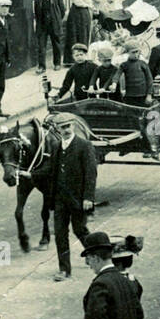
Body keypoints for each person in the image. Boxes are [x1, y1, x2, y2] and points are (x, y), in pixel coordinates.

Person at [48, 114, 97, 282]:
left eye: (69, 126)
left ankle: (96, 256)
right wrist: (28, 174)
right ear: (57, 129)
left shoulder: (84, 146)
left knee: (80, 230)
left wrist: (88, 198)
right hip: (60, 200)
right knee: (60, 234)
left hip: (78, 199)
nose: (67, 130)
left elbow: (91, 173)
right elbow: (51, 172)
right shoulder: (56, 147)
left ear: (74, 126)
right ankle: (64, 270)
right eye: (63, 127)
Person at [33, 0, 65, 73]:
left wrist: (57, 21)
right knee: (41, 46)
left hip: (54, 25)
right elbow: (37, 14)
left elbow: (62, 11)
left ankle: (57, 63)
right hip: (42, 26)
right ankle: (42, 66)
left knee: (56, 44)